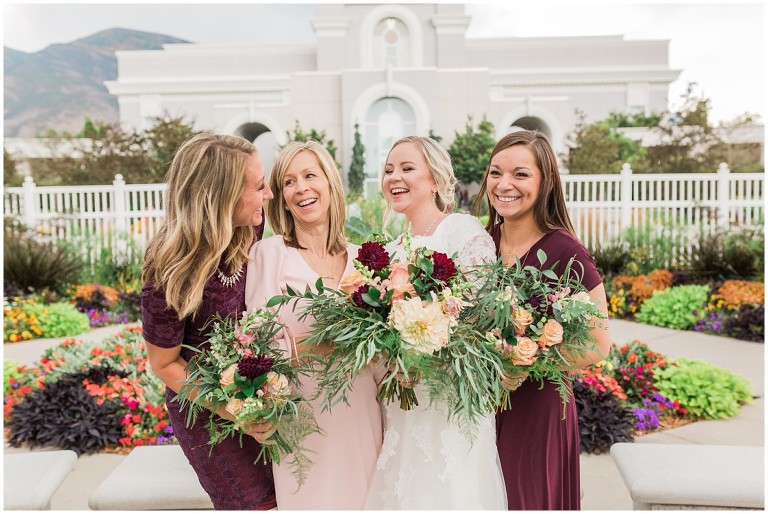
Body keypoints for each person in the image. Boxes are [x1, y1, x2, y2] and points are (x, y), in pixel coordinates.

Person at [363, 135, 507, 510]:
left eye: (407, 168)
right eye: (389, 169)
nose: (395, 177)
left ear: (435, 179)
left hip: (450, 403)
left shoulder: (462, 231)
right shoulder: (390, 251)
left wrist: (422, 340)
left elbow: (479, 318)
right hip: (402, 403)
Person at [473, 129, 611, 510]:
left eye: (520, 174)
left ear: (545, 181)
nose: (504, 184)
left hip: (537, 412)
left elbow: (597, 343)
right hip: (479, 412)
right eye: (496, 172)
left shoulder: (566, 251)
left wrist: (524, 363)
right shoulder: (480, 244)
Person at [140, 133, 277, 510]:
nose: (268, 194)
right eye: (258, 186)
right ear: (222, 196)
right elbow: (164, 364)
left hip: (261, 393)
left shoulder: (250, 227)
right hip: (207, 414)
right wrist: (233, 410)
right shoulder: (169, 270)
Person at [245, 140, 383, 509]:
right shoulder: (269, 254)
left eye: (310, 175)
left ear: (330, 182)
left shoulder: (365, 259)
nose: (301, 188)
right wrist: (320, 344)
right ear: (282, 198)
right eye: (289, 182)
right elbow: (256, 346)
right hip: (301, 422)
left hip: (363, 413)